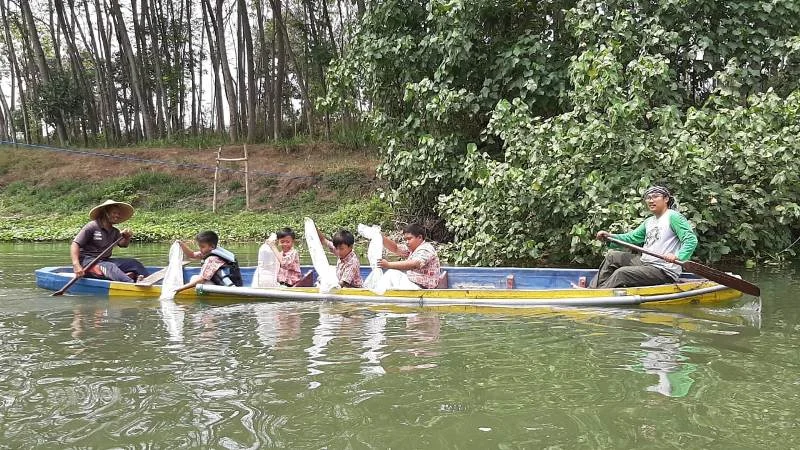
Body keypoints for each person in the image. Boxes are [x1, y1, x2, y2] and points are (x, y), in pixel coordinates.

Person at [589, 186, 698, 288]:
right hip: (645, 263)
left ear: (666, 199)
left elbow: (691, 240)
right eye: (648, 198)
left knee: (622, 273)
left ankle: (600, 294)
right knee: (612, 256)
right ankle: (594, 289)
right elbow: (631, 237)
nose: (651, 200)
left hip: (663, 270)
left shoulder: (673, 217)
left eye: (655, 197)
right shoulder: (649, 221)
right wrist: (609, 236)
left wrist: (677, 256)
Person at [71, 199, 149, 282]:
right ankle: (130, 282)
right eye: (114, 213)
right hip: (88, 263)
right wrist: (76, 265)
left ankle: (149, 280)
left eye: (118, 213)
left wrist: (126, 237)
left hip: (104, 261)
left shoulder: (114, 231)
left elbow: (123, 245)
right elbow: (75, 244)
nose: (117, 215)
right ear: (105, 213)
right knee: (110, 267)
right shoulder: (92, 226)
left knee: (134, 263)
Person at [174, 230, 243, 293]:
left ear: (212, 246)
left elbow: (201, 280)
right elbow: (192, 255)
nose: (200, 249)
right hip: (236, 283)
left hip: (229, 288)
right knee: (197, 278)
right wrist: (181, 244)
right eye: (199, 246)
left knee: (194, 278)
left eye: (202, 247)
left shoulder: (212, 259)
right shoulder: (213, 250)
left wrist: (180, 289)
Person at [379, 223, 441, 289]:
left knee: (392, 273)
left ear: (420, 237)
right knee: (392, 276)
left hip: (422, 288)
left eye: (409, 239)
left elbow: (415, 264)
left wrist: (388, 265)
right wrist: (381, 237)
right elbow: (396, 248)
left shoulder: (426, 248)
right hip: (414, 284)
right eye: (405, 239)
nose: (407, 242)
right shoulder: (412, 249)